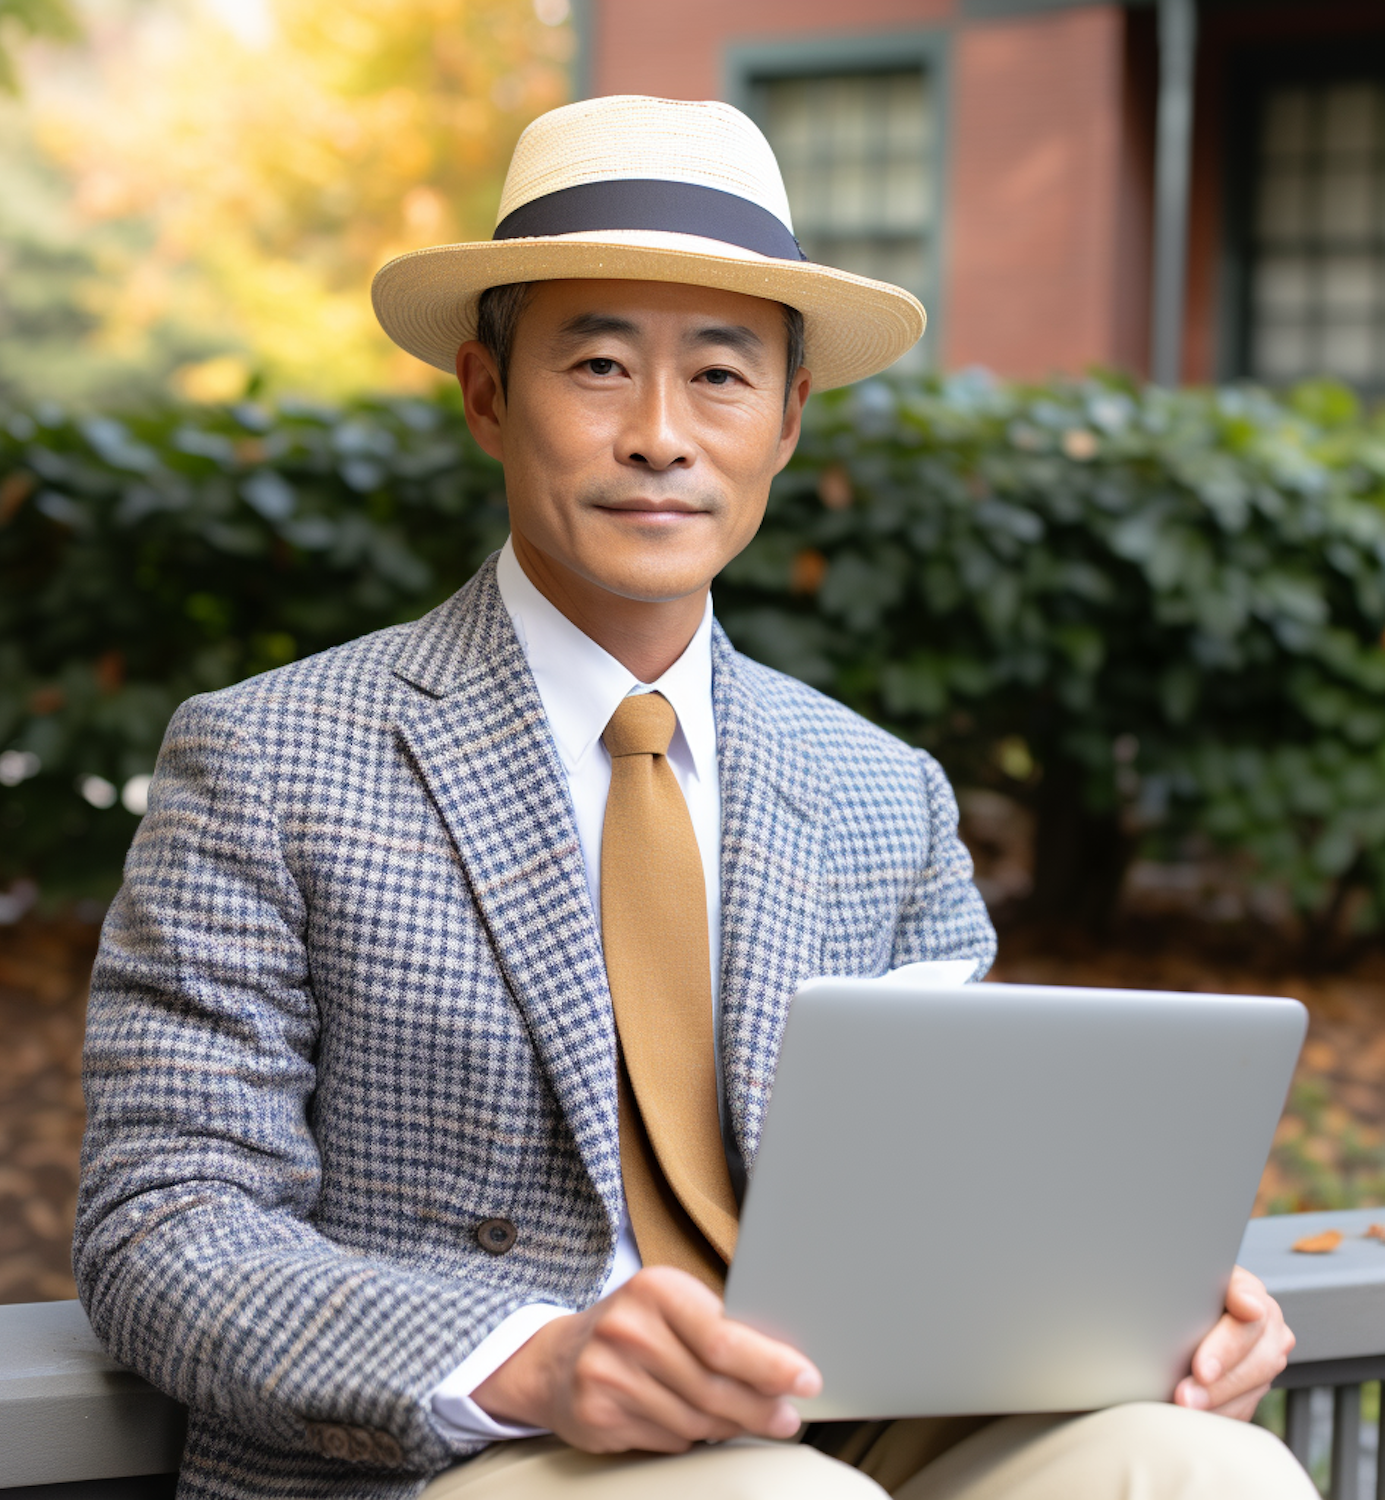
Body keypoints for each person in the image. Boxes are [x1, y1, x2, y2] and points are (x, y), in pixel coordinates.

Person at [75, 95, 1309, 1500]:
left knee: (1206, 1466)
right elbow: (162, 1225)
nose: (660, 434)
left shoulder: (880, 794)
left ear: (788, 418)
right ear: (488, 394)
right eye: (597, 364)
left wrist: (1136, 1310)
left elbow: (960, 1202)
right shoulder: (271, 759)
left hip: (832, 1419)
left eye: (720, 377)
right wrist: (532, 1355)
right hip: (472, 1452)